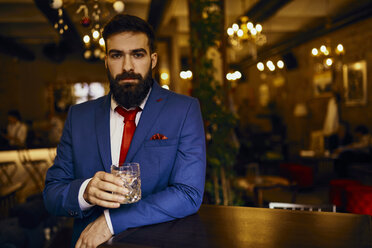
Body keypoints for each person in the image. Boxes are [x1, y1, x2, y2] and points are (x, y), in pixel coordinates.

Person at [43, 14, 206, 248]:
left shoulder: (184, 110)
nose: (127, 66)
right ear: (106, 61)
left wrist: (110, 222)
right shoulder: (78, 117)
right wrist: (85, 192)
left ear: (153, 60)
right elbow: (52, 194)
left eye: (137, 54)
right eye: (116, 55)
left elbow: (188, 193)